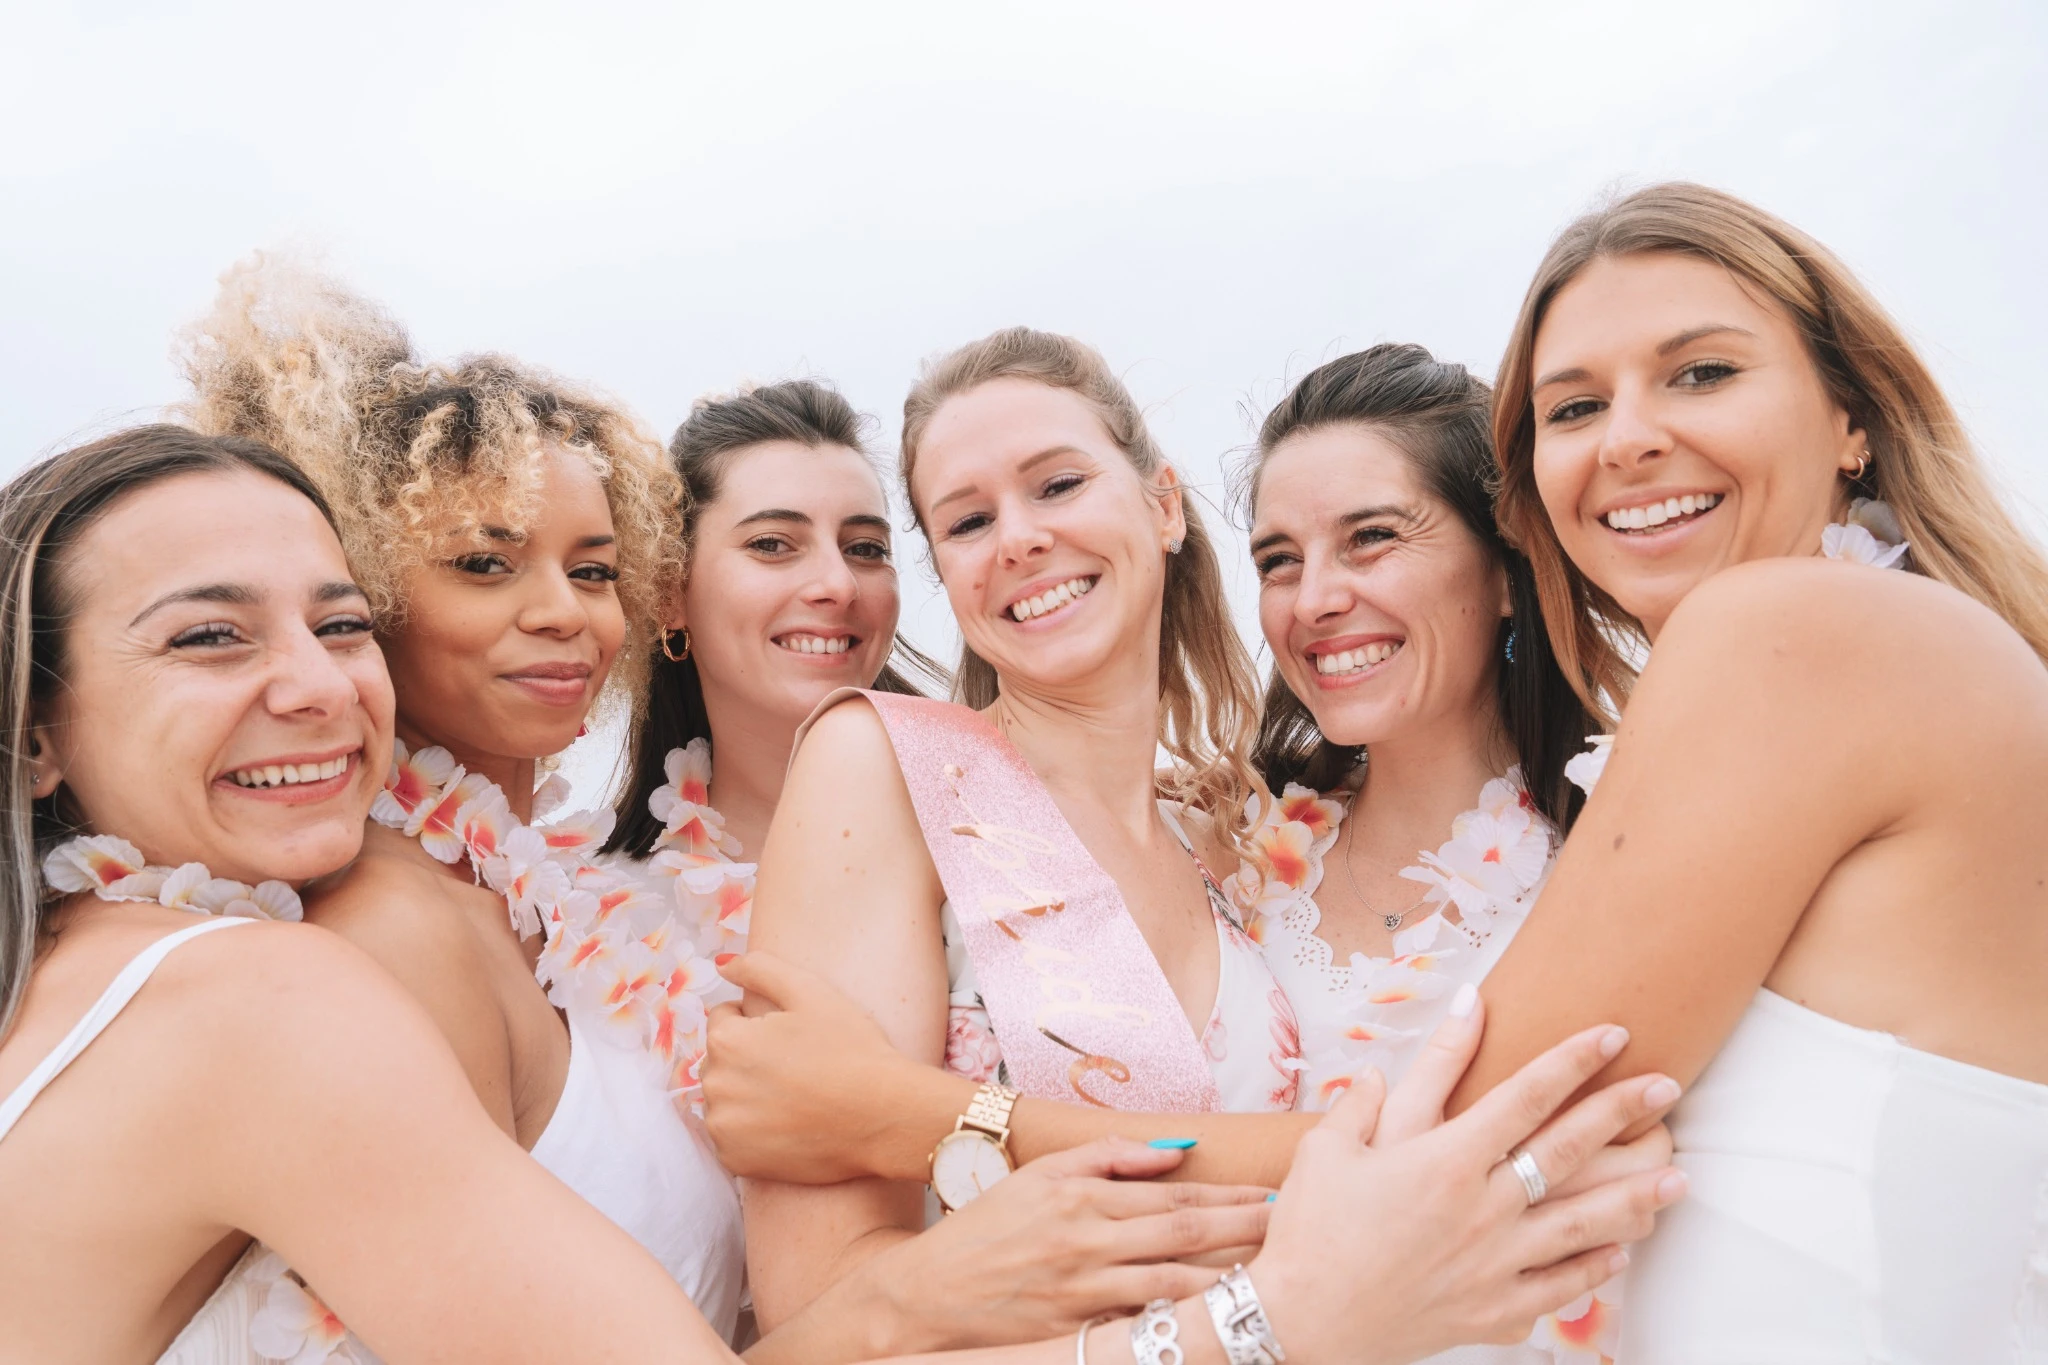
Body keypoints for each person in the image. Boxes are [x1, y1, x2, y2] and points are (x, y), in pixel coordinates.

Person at [0, 422, 1681, 1365]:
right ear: (29, 730)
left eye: (335, 622)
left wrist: (908, 1198)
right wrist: (1276, 1319)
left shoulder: (153, 963)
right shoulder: (250, 1004)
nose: (315, 685)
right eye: (208, 636)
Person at [1446, 181, 2048, 1358]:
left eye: (1700, 373)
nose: (1626, 438)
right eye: (1571, 408)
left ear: (1850, 421)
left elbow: (1463, 1147)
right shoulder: (1914, 650)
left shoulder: (1796, 632)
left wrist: (989, 1124)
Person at [607, 379, 1310, 1346]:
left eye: (1058, 483)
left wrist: (917, 1114)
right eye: (969, 519)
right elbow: (818, 1296)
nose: (1018, 538)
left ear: (1164, 503)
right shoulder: (878, 765)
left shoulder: (1233, 833)